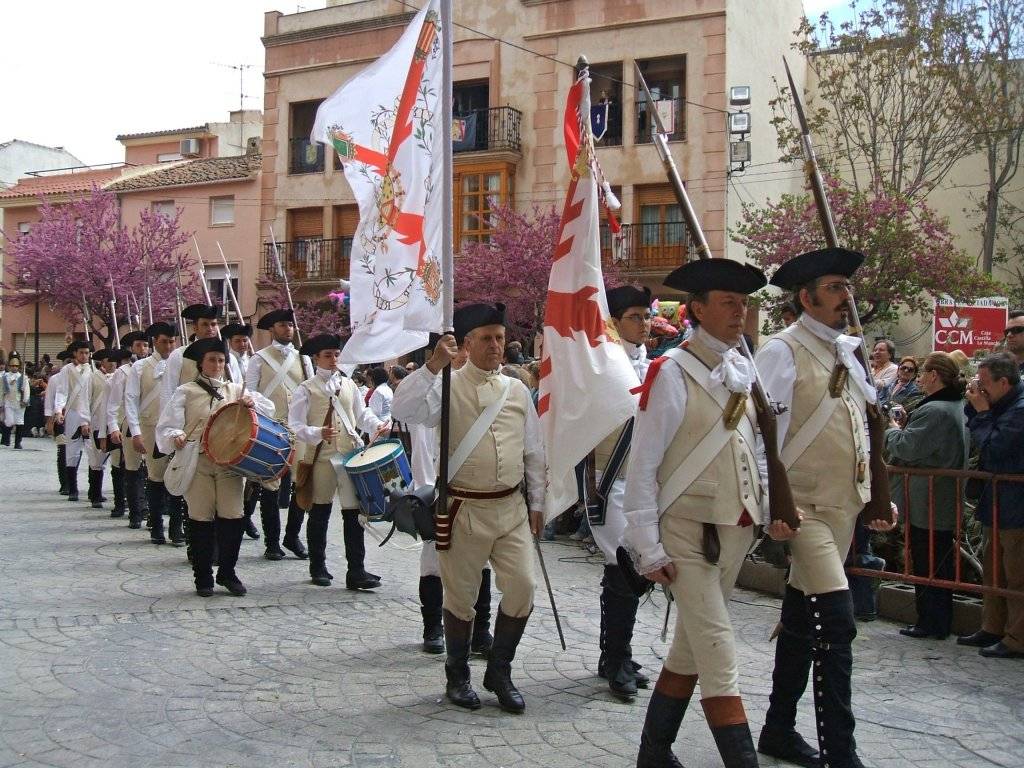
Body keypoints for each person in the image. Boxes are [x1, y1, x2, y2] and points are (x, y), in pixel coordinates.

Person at [755, 246, 898, 768]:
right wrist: (775, 506)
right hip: (806, 509)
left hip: (843, 507)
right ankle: (841, 750)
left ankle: (777, 728)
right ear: (806, 297)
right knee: (836, 623)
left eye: (847, 288)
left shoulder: (846, 352)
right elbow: (764, 438)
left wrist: (877, 494)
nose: (846, 297)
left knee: (799, 619)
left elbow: (868, 427)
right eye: (835, 287)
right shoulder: (781, 352)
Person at [623, 260, 768, 768]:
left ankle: (654, 752)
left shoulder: (741, 372)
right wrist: (647, 546)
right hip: (686, 532)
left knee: (689, 648)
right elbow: (643, 468)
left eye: (744, 303)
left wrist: (768, 506)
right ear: (698, 310)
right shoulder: (672, 372)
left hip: (734, 531)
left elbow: (752, 451)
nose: (740, 312)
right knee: (717, 646)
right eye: (728, 302)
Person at [391, 303, 545, 714]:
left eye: (500, 337)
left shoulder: (516, 390)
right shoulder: (445, 385)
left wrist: (539, 502)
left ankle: (500, 670)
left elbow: (533, 450)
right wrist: (431, 366)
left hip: (510, 508)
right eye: (486, 338)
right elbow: (401, 410)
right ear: (468, 343)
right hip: (463, 508)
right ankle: (457, 674)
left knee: (522, 588)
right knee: (460, 598)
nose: (496, 346)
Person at [156, 338, 274, 597]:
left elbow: (268, 408)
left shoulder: (236, 390)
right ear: (201, 363)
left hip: (229, 464)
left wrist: (252, 405)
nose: (217, 364)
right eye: (212, 360)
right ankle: (203, 576)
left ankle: (228, 572)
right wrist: (176, 435)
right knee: (200, 518)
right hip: (197, 461)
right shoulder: (185, 391)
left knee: (233, 516)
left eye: (221, 360)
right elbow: (166, 426)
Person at [405, 339, 495, 656]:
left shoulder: (480, 390)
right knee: (433, 561)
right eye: (454, 350)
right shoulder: (425, 392)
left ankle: (481, 631)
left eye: (465, 349)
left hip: (472, 487)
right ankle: (433, 627)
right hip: (434, 488)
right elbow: (408, 411)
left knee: (480, 559)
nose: (462, 356)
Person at [584, 284, 652, 702]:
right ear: (615, 321)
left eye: (647, 316)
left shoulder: (654, 364)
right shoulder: (602, 364)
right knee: (626, 564)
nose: (644, 323)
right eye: (635, 316)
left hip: (643, 481)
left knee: (628, 568)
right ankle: (618, 659)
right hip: (609, 478)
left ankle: (612, 654)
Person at [287, 334, 387, 588]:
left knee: (354, 515)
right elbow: (295, 425)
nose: (333, 359)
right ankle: (317, 566)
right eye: (328, 355)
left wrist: (377, 425)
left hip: (350, 456)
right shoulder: (306, 388)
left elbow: (361, 415)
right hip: (322, 458)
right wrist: (317, 433)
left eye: (336, 354)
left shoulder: (349, 384)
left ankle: (356, 571)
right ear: (316, 358)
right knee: (319, 513)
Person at [886, 352, 969, 641]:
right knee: (934, 558)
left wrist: (892, 431)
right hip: (937, 496)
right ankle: (933, 619)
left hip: (930, 498)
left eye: (922, 372)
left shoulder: (937, 410)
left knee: (929, 559)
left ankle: (931, 621)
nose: (919, 377)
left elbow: (908, 447)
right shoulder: (952, 405)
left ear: (934, 375)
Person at [957, 352, 1024, 659]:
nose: (979, 389)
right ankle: (992, 627)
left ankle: (1016, 637)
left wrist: (982, 413)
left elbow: (996, 449)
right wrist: (977, 409)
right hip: (994, 502)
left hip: (1015, 506)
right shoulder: (998, 405)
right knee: (993, 571)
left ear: (1004, 382)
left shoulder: (1019, 410)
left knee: (1016, 574)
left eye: (984, 383)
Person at [246, 309, 312, 561]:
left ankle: (292, 536)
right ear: (272, 329)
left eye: (290, 325)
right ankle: (272, 541)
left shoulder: (304, 359)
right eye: (283, 325)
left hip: (298, 429)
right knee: (269, 486)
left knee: (301, 483)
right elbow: (250, 392)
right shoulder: (259, 358)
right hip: (271, 429)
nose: (288, 329)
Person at [126, 323, 181, 545]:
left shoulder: (181, 364)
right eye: (164, 341)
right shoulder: (140, 367)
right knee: (156, 476)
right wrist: (136, 432)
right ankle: (156, 524)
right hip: (151, 427)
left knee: (178, 476)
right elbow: (130, 400)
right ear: (154, 342)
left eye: (171, 341)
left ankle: (177, 528)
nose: (168, 346)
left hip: (177, 428)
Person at [106, 333, 150, 527]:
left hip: (149, 424)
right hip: (129, 424)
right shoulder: (123, 372)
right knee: (132, 468)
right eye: (139, 345)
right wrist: (113, 426)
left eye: (145, 345)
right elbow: (114, 403)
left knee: (150, 470)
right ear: (131, 348)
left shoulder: (153, 368)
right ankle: (135, 512)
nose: (142, 349)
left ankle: (146, 506)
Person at [53, 341, 95, 503]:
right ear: (75, 354)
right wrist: (58, 410)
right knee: (72, 450)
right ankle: (73, 488)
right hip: (72, 414)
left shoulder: (93, 370)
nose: (85, 356)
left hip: (90, 415)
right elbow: (62, 391)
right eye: (82, 353)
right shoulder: (67, 370)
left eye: (87, 353)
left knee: (93, 451)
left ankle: (94, 490)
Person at [85, 350, 116, 510]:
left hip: (114, 424)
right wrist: (85, 420)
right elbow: (86, 400)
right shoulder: (93, 377)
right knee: (97, 459)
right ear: (101, 362)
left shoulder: (118, 376)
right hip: (97, 422)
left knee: (116, 460)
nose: (112, 363)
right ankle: (95, 493)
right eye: (108, 360)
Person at [45, 351, 74, 495]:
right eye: (67, 361)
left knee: (74, 452)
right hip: (60, 419)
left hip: (76, 419)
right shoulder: (55, 379)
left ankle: (72, 482)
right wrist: (49, 422)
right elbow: (49, 402)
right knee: (63, 451)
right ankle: (65, 484)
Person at [1, 354, 31, 449]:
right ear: (9, 366)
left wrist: (25, 400)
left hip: (19, 403)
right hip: (9, 402)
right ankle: (6, 439)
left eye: (16, 366)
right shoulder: (5, 377)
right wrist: (1, 403)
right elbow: (2, 391)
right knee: (9, 421)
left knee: (19, 422)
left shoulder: (23, 377)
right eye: (12, 366)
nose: (14, 368)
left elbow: (27, 390)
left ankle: (18, 443)